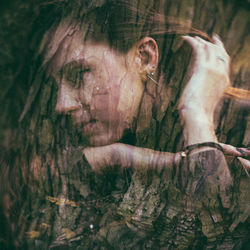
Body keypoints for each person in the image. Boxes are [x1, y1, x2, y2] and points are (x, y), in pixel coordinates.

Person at [1, 0, 249, 249]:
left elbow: (219, 228)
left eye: (79, 73)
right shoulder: (96, 136)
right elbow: (20, 180)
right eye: (55, 86)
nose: (62, 104)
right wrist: (113, 157)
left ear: (143, 57)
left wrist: (197, 114)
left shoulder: (240, 127)